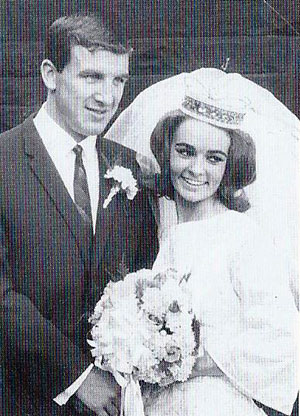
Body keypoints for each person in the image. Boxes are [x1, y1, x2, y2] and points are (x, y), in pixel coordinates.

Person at [106, 68, 299, 415]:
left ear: (230, 167)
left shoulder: (244, 236)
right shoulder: (161, 230)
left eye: (214, 158)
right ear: (168, 153)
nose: (196, 169)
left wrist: (183, 361)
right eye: (185, 151)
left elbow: (282, 344)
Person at [0, 15, 158, 416]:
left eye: (118, 80)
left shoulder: (128, 168)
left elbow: (143, 277)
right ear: (51, 75)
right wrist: (77, 377)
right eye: (91, 77)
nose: (107, 97)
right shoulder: (4, 161)